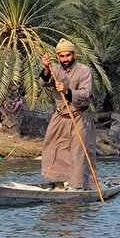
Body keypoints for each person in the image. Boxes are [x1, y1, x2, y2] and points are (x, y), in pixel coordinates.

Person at [39, 38, 97, 190]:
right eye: (62, 56)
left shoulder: (84, 71)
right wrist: (46, 68)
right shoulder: (55, 70)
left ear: (74, 54)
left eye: (68, 55)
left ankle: (79, 185)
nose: (65, 59)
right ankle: (58, 183)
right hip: (60, 117)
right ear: (57, 56)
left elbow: (86, 93)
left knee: (78, 152)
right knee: (53, 148)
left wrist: (66, 91)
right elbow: (43, 82)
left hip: (79, 117)